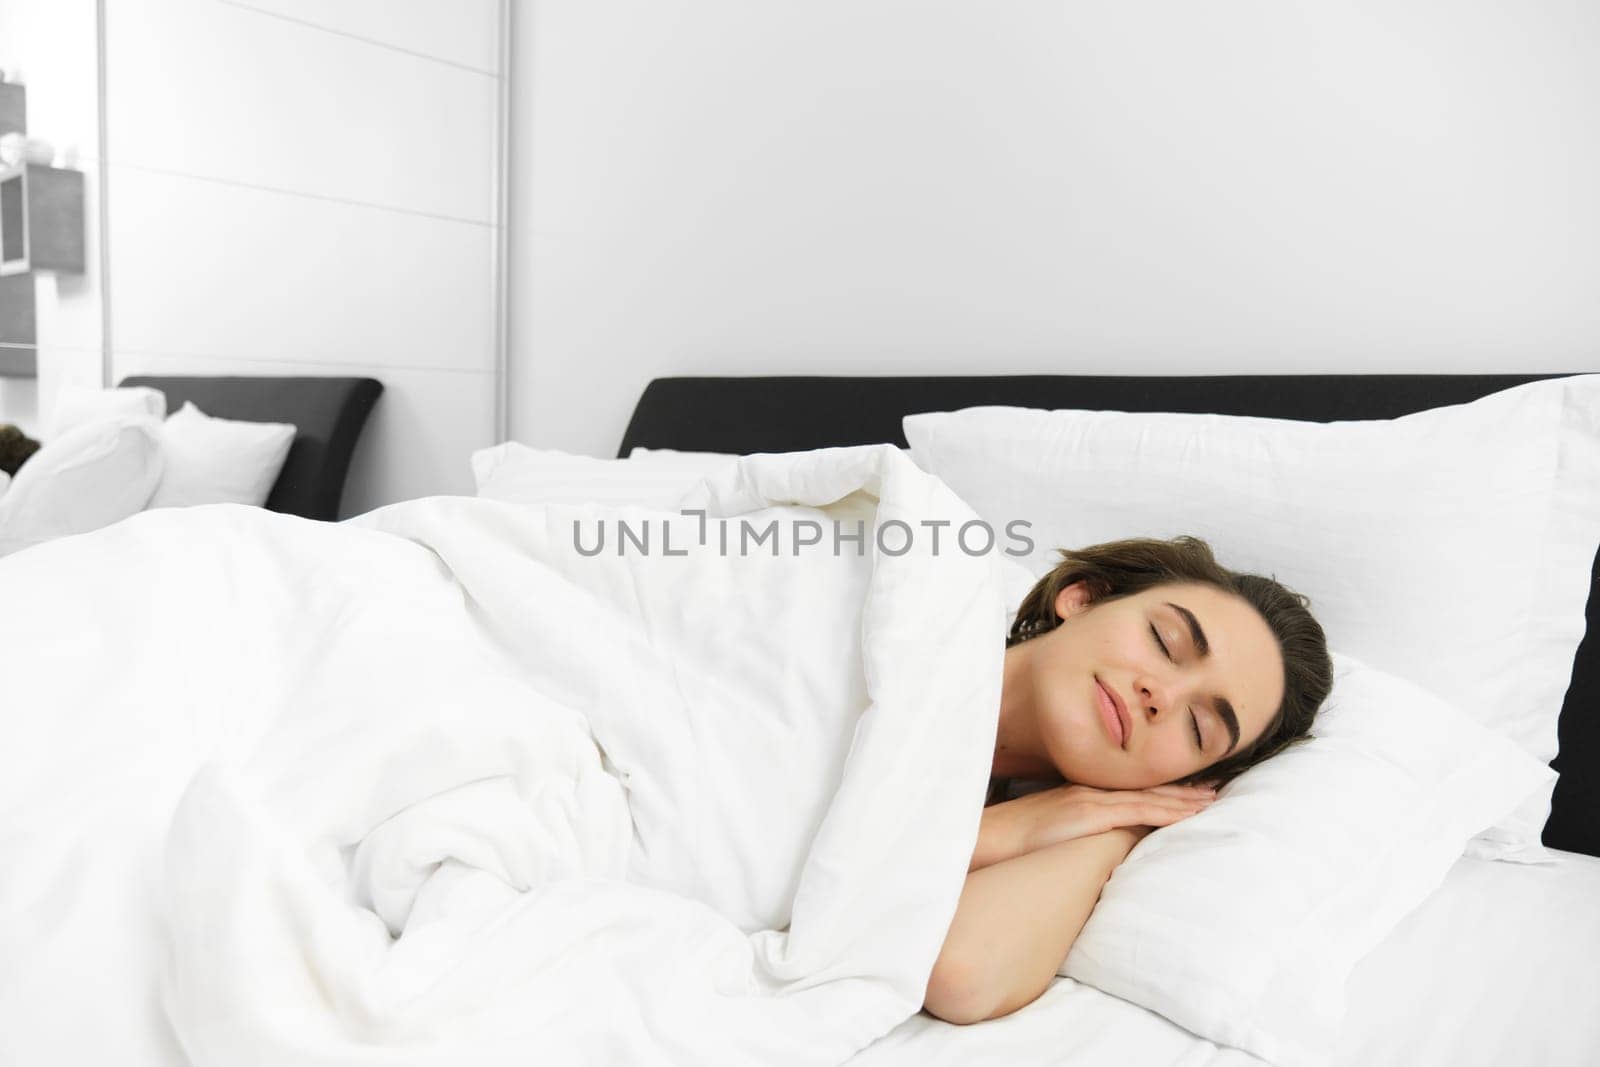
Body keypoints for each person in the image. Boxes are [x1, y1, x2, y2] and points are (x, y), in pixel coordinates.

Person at [923, 535, 1333, 1025]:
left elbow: (962, 974)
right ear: (1084, 596)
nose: (1162, 695)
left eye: (1198, 727)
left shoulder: (1061, 812)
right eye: (1165, 642)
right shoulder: (901, 612)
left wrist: (1121, 827)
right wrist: (1010, 831)